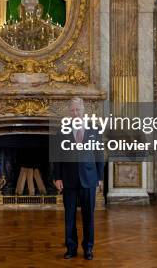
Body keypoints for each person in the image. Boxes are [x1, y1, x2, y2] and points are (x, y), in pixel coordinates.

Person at [53, 97, 105, 260]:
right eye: (73, 110)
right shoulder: (62, 131)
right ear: (70, 112)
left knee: (88, 216)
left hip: (89, 178)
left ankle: (88, 248)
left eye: (78, 110)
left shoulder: (94, 130)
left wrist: (100, 178)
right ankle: (71, 248)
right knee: (69, 216)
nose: (75, 113)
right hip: (68, 179)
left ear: (84, 111)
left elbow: (99, 155)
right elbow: (57, 156)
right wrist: (57, 177)